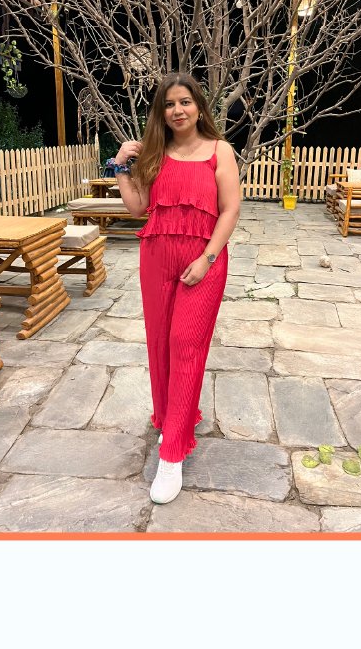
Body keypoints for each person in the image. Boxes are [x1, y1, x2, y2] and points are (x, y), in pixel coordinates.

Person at [110, 72, 241, 504]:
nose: (178, 110)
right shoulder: (156, 152)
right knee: (160, 346)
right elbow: (138, 208)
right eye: (169, 105)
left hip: (202, 262)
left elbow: (230, 210)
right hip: (156, 259)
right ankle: (171, 417)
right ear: (160, 112)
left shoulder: (220, 151)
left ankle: (172, 455)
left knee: (186, 344)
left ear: (199, 106)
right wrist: (121, 167)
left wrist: (207, 258)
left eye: (185, 102)